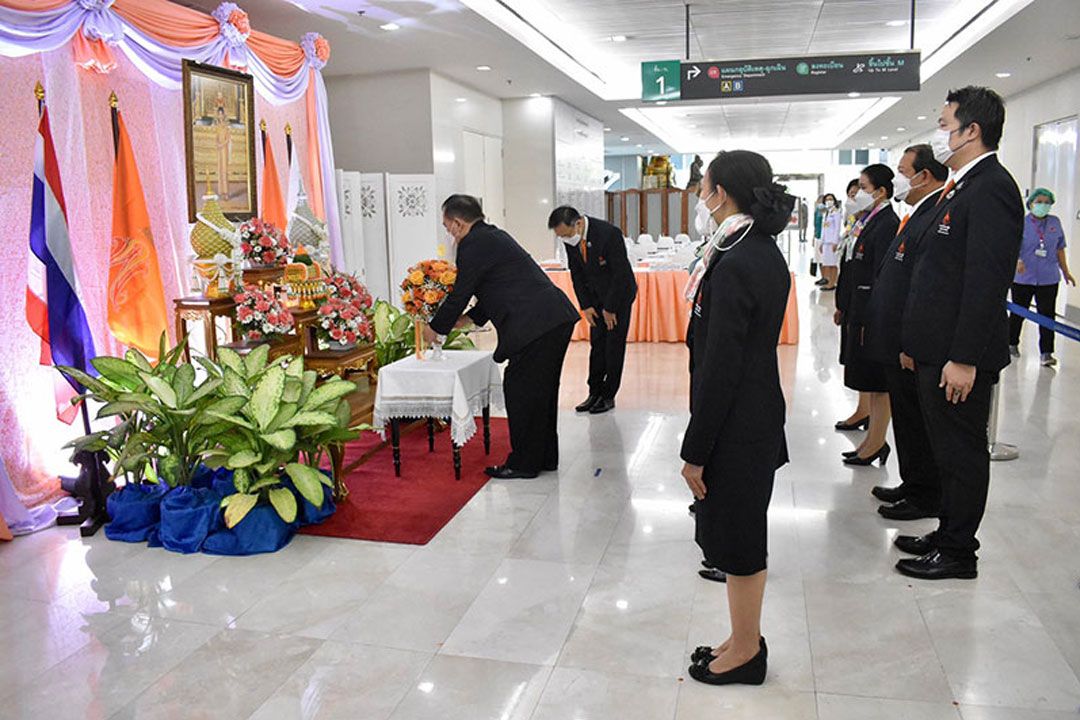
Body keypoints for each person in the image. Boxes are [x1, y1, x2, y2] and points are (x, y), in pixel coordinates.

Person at [895, 86, 1024, 580]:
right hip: (936, 348)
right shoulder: (962, 186)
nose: (941, 133)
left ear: (973, 130)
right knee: (944, 452)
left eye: (946, 124)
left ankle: (957, 552)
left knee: (961, 454)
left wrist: (965, 358)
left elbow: (985, 279)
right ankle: (947, 531)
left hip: (959, 355)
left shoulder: (992, 186)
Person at [681, 150, 792, 687]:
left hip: (737, 423)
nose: (699, 194)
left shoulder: (742, 260)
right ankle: (739, 635)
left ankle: (747, 652)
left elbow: (723, 365)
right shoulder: (750, 248)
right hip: (749, 412)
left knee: (740, 538)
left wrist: (695, 449)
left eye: (703, 185)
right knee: (732, 531)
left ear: (720, 192)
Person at [426, 194, 579, 480]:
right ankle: (544, 457)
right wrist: (469, 319)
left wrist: (436, 327)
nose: (449, 233)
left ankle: (523, 463)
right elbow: (496, 286)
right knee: (541, 392)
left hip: (537, 324)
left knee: (521, 391)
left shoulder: (472, 244)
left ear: (458, 224)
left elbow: (462, 292)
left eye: (448, 227)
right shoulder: (492, 237)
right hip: (552, 318)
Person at [864, 144, 949, 520]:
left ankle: (924, 494)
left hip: (910, 340)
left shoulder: (937, 213)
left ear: (924, 176)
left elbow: (924, 285)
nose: (899, 178)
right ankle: (912, 483)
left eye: (903, 171)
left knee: (917, 422)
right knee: (907, 419)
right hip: (896, 337)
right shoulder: (917, 213)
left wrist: (910, 340)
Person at [835, 165, 899, 466]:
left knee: (878, 381)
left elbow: (881, 275)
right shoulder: (866, 221)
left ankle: (876, 442)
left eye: (862, 187)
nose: (856, 193)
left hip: (872, 312)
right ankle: (871, 440)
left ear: (880, 191)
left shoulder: (886, 223)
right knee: (867, 379)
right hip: (858, 308)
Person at [548, 206, 638, 414]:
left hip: (619, 297)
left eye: (566, 234)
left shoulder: (608, 234)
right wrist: (586, 306)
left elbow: (621, 275)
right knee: (597, 344)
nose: (565, 240)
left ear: (578, 223)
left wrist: (610, 308)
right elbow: (577, 274)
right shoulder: (570, 239)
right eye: (560, 237)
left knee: (613, 346)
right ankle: (594, 392)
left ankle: (608, 395)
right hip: (595, 298)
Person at [1009, 187, 1075, 366]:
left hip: (1048, 277)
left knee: (1047, 316)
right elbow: (1011, 246)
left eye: (1047, 202)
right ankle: (1011, 343)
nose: (1043, 205)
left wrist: (1065, 271)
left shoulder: (1055, 222)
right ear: (1030, 204)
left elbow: (1060, 248)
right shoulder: (1021, 223)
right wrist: (1017, 260)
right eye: (1039, 202)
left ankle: (1046, 353)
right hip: (1023, 277)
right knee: (1017, 313)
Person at [818, 193, 842, 290]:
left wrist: (835, 242)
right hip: (826, 242)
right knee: (827, 263)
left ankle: (832, 284)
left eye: (831, 199)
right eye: (827, 199)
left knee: (833, 264)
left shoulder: (836, 213)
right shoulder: (827, 213)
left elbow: (837, 229)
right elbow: (824, 229)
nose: (829, 201)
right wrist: (821, 243)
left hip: (832, 242)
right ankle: (829, 282)